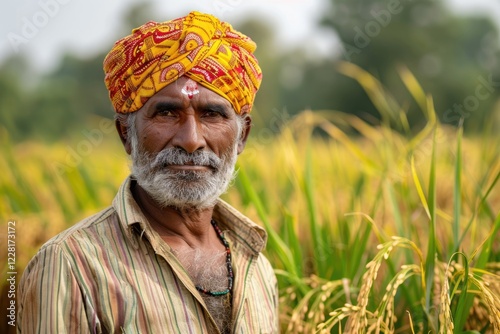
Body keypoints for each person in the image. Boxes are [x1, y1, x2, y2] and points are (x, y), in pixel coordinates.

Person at [18, 11, 279, 334]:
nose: (191, 140)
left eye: (212, 114)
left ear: (242, 137)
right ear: (126, 134)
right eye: (167, 113)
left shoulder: (256, 266)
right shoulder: (71, 265)